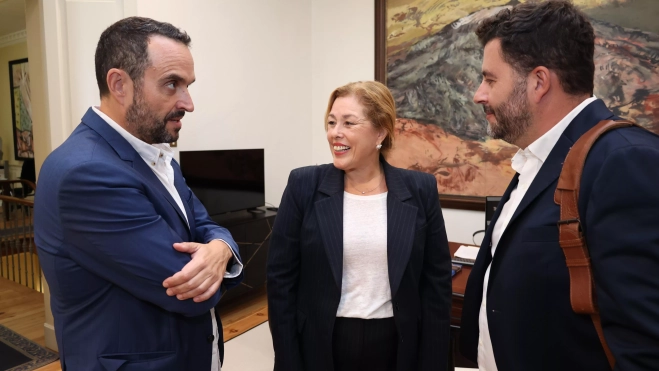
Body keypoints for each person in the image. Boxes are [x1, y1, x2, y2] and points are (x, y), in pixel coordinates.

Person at [34, 17, 243, 370]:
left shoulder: (155, 154)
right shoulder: (86, 174)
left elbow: (205, 224)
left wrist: (221, 247)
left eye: (188, 85)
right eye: (171, 84)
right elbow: (189, 293)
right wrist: (221, 254)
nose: (188, 103)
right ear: (119, 85)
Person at [459, 2, 659, 370]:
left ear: (538, 82)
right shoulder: (539, 160)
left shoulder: (624, 161)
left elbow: (645, 342)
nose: (478, 94)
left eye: (489, 79)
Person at [267, 81, 452, 371]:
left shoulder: (420, 189)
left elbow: (436, 286)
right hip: (321, 342)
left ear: (380, 131)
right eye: (331, 122)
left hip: (397, 344)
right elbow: (281, 282)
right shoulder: (304, 185)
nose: (334, 133)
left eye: (348, 123)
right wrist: (288, 359)